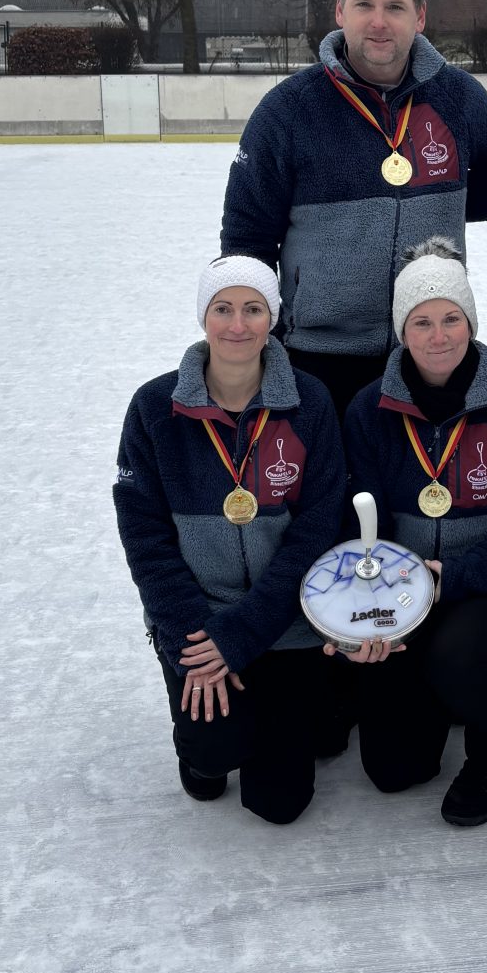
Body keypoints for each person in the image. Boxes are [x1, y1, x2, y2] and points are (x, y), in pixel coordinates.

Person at [220, 0, 487, 422]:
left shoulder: (458, 98)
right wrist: (259, 344)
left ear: (420, 16)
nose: (379, 22)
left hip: (430, 353)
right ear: (340, 10)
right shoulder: (289, 111)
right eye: (364, 5)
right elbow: (246, 240)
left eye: (395, 7)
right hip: (318, 360)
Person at [337, 239, 487, 826]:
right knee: (394, 771)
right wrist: (380, 599)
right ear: (401, 332)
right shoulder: (368, 412)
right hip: (402, 591)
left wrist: (454, 575)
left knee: (456, 656)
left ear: (471, 322)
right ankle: (435, 694)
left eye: (451, 319)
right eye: (422, 322)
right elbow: (359, 521)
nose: (439, 337)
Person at [113, 256, 346, 823]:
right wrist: (196, 636)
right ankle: (203, 743)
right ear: (203, 317)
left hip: (285, 620)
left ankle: (271, 707)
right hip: (197, 622)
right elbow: (145, 538)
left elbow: (315, 532)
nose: (237, 325)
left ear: (273, 319)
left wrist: (243, 633)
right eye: (223, 309)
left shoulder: (309, 403)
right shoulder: (154, 408)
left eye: (253, 309)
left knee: (280, 803)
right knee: (213, 756)